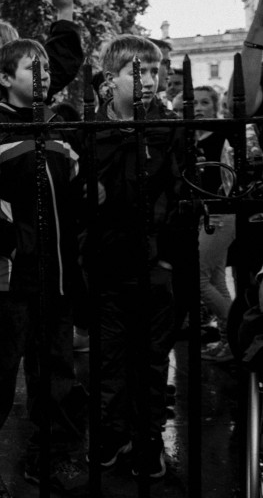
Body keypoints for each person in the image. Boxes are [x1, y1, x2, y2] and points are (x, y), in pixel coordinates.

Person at [0, 39, 87, 494]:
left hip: (60, 273)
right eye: (33, 67)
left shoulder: (58, 128)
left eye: (47, 66)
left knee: (57, 375)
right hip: (11, 275)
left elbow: (74, 198)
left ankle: (50, 455)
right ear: (6, 79)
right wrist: (11, 238)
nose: (44, 74)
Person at [88, 34, 184, 479]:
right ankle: (113, 433)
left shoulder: (167, 127)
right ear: (111, 80)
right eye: (138, 71)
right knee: (109, 360)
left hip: (154, 267)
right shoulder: (92, 129)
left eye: (154, 70)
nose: (150, 79)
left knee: (150, 361)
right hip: (107, 265)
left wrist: (167, 259)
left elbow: (182, 198)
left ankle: (148, 440)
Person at [189, 86, 237, 362]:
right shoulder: (191, 137)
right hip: (205, 216)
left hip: (219, 215)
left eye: (205, 102)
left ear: (215, 106)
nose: (198, 107)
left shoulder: (223, 136)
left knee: (199, 279)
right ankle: (228, 343)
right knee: (217, 280)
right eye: (194, 102)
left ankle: (235, 335)